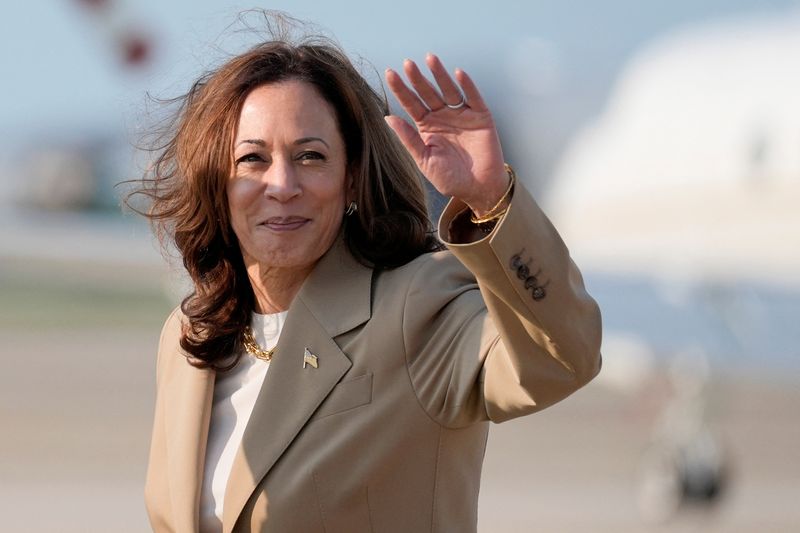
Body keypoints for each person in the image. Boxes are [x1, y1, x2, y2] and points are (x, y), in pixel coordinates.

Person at [134, 17, 601, 533]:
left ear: (352, 176)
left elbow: (562, 359)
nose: (283, 184)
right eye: (252, 159)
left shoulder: (416, 305)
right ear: (215, 182)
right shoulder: (189, 338)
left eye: (311, 157)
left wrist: (491, 201)